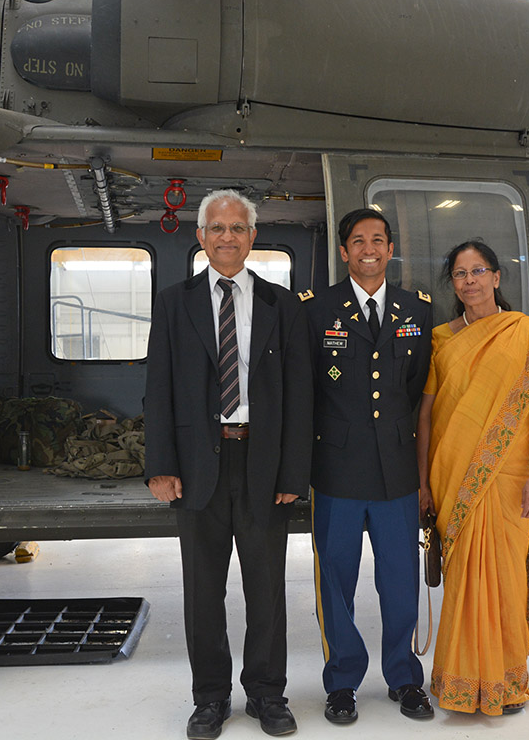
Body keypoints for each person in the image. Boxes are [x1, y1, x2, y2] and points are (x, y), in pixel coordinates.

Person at [144, 190, 313, 740]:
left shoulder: (282, 306)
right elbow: (158, 390)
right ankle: (210, 698)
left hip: (262, 463)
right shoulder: (174, 303)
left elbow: (298, 396)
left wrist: (293, 474)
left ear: (252, 237)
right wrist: (161, 465)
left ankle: (267, 694)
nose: (227, 237)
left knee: (266, 589)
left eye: (238, 228)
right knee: (202, 590)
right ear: (201, 237)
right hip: (197, 466)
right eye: (216, 228)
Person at [416, 239, 529, 716]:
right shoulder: (441, 340)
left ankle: (506, 682)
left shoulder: (527, 335)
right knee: (464, 580)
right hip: (453, 475)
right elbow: (426, 416)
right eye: (460, 274)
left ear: (497, 277)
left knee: (504, 579)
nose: (470, 281)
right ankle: (461, 682)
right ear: (454, 284)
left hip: (510, 477)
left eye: (478, 270)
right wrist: (423, 484)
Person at [304, 208, 434, 724]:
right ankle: (341, 683)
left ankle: (403, 679)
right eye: (358, 241)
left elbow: (417, 391)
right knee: (335, 581)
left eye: (378, 240)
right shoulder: (315, 309)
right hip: (336, 471)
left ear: (390, 248)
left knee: (400, 580)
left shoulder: (416, 310)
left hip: (396, 471)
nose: (369, 249)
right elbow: (307, 391)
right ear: (344, 252)